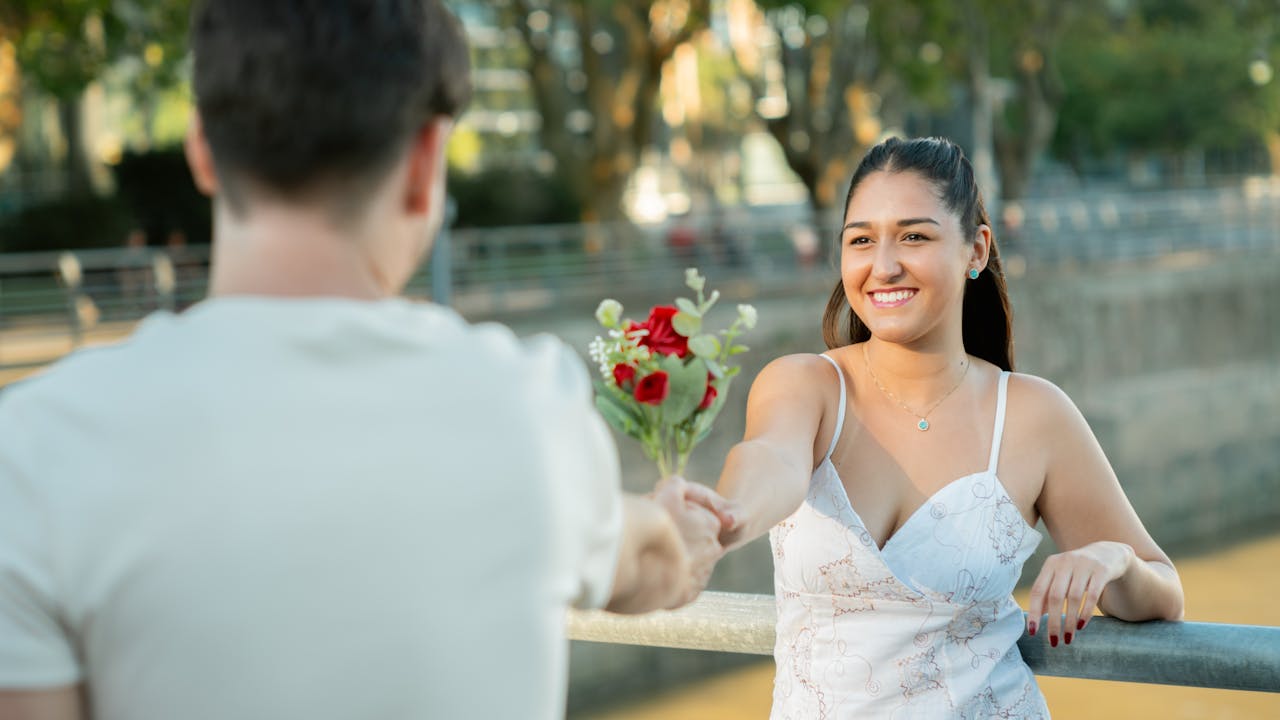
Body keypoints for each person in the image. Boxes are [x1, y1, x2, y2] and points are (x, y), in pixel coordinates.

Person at [0, 2, 731, 719]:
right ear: (426, 160)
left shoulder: (33, 451)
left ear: (201, 149)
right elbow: (654, 558)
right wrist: (678, 526)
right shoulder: (527, 408)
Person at [712, 136, 1184, 717]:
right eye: (861, 240)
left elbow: (1163, 592)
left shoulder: (1035, 415)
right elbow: (771, 461)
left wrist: (1114, 559)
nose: (884, 266)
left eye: (914, 236)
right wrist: (721, 518)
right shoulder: (804, 385)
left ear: (975, 250)